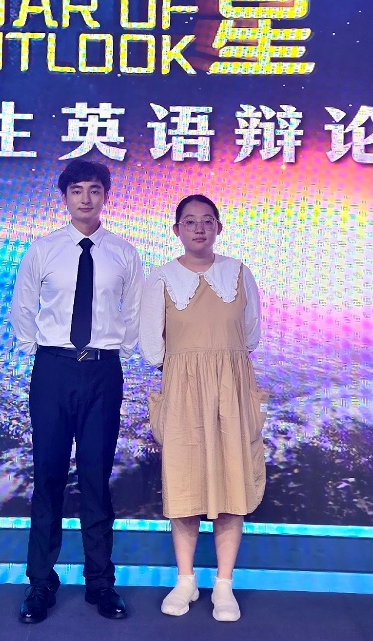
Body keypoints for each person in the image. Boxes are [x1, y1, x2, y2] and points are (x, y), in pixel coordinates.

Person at [9, 159, 143, 624]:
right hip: (53, 371)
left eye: (94, 190)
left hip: (103, 373)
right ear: (64, 197)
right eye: (77, 191)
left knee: (95, 478)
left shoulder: (123, 252)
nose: (86, 198)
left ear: (106, 196)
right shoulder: (44, 249)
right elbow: (23, 306)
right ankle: (40, 582)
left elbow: (134, 311)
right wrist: (42, 352)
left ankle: (100, 582)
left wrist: (115, 350)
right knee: (47, 476)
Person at [140, 194, 266, 622]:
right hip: (183, 392)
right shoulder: (162, 278)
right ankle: (185, 579)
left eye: (208, 221)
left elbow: (250, 334)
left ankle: (224, 585)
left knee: (232, 486)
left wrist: (220, 367)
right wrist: (188, 370)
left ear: (218, 228)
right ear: (176, 230)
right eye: (190, 221)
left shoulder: (239, 272)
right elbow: (151, 345)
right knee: (185, 485)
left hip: (232, 390)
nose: (199, 228)